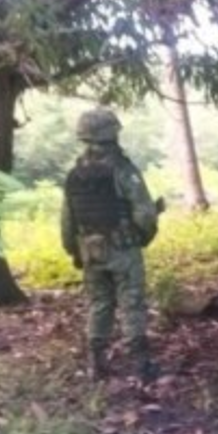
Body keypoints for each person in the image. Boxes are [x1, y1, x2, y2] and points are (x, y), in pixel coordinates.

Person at [61, 107, 162, 382]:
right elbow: (144, 213)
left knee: (99, 303)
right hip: (123, 250)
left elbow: (67, 221)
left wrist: (74, 250)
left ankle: (97, 365)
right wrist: (142, 237)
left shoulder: (74, 175)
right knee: (132, 304)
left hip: (91, 252)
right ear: (112, 133)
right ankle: (141, 368)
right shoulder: (122, 169)